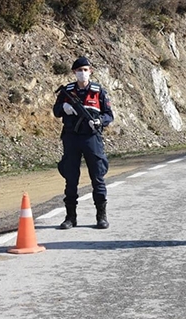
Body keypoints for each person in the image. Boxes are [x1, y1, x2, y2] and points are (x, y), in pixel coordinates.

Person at [52, 56, 114, 230]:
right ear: (74, 72)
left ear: (90, 72)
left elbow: (109, 114)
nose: (82, 73)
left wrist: (100, 121)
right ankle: (70, 217)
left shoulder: (98, 91)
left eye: (85, 70)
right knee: (71, 178)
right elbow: (56, 111)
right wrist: (64, 108)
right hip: (71, 138)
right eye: (79, 70)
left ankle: (101, 216)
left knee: (98, 177)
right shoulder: (67, 91)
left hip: (91, 138)